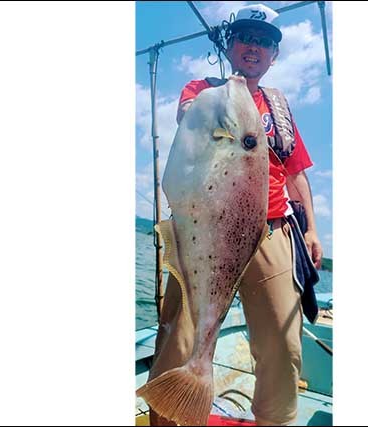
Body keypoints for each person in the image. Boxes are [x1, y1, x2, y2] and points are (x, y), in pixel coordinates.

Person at [148, 4, 323, 426]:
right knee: (180, 336)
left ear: (274, 56)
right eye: (246, 37)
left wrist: (313, 228)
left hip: (274, 231)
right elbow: (188, 117)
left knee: (283, 346)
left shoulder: (279, 108)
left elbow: (296, 172)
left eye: (265, 42)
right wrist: (226, 96)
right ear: (231, 43)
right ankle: (169, 413)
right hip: (205, 232)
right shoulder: (204, 90)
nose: (255, 47)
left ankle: (275, 420)